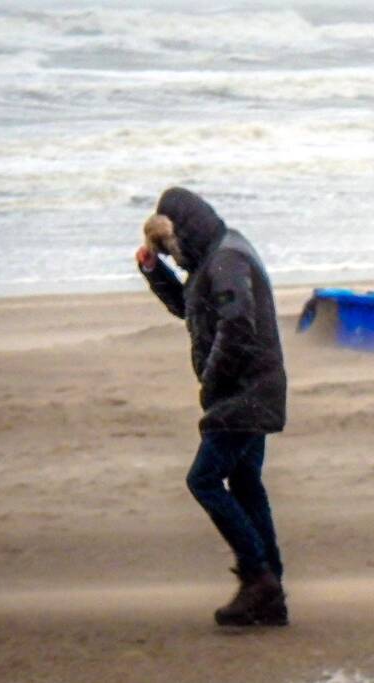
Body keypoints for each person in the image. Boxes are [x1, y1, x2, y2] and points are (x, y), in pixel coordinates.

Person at [135, 187, 289, 625]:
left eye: (170, 249)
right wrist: (155, 271)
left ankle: (258, 577)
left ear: (182, 232)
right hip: (251, 389)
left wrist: (212, 381)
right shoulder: (216, 255)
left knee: (203, 480)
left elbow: (237, 326)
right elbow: (192, 308)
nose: (175, 256)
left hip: (244, 392)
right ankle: (270, 595)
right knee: (245, 483)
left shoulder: (227, 259)